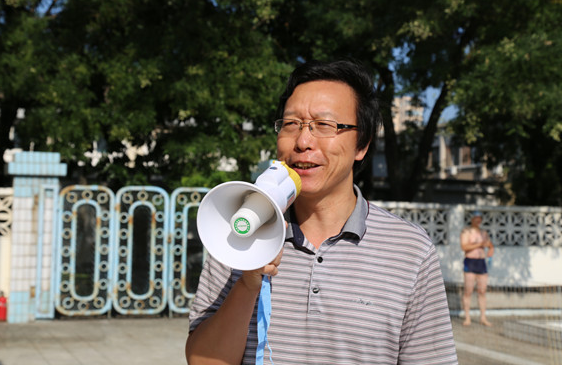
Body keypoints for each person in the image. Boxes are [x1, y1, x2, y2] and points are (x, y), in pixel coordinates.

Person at [186, 59, 458, 364]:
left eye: (324, 125)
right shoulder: (236, 231)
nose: (303, 141)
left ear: (362, 145)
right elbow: (203, 361)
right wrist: (248, 282)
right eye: (291, 124)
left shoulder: (410, 250)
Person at [460, 210, 494, 327]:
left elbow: (489, 245)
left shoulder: (483, 233)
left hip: (481, 262)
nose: (478, 220)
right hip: (470, 262)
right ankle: (467, 318)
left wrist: (491, 250)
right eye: (476, 218)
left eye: (479, 218)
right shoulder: (466, 232)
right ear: (472, 219)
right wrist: (479, 244)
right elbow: (464, 246)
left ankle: (483, 317)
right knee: (468, 290)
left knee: (482, 291)